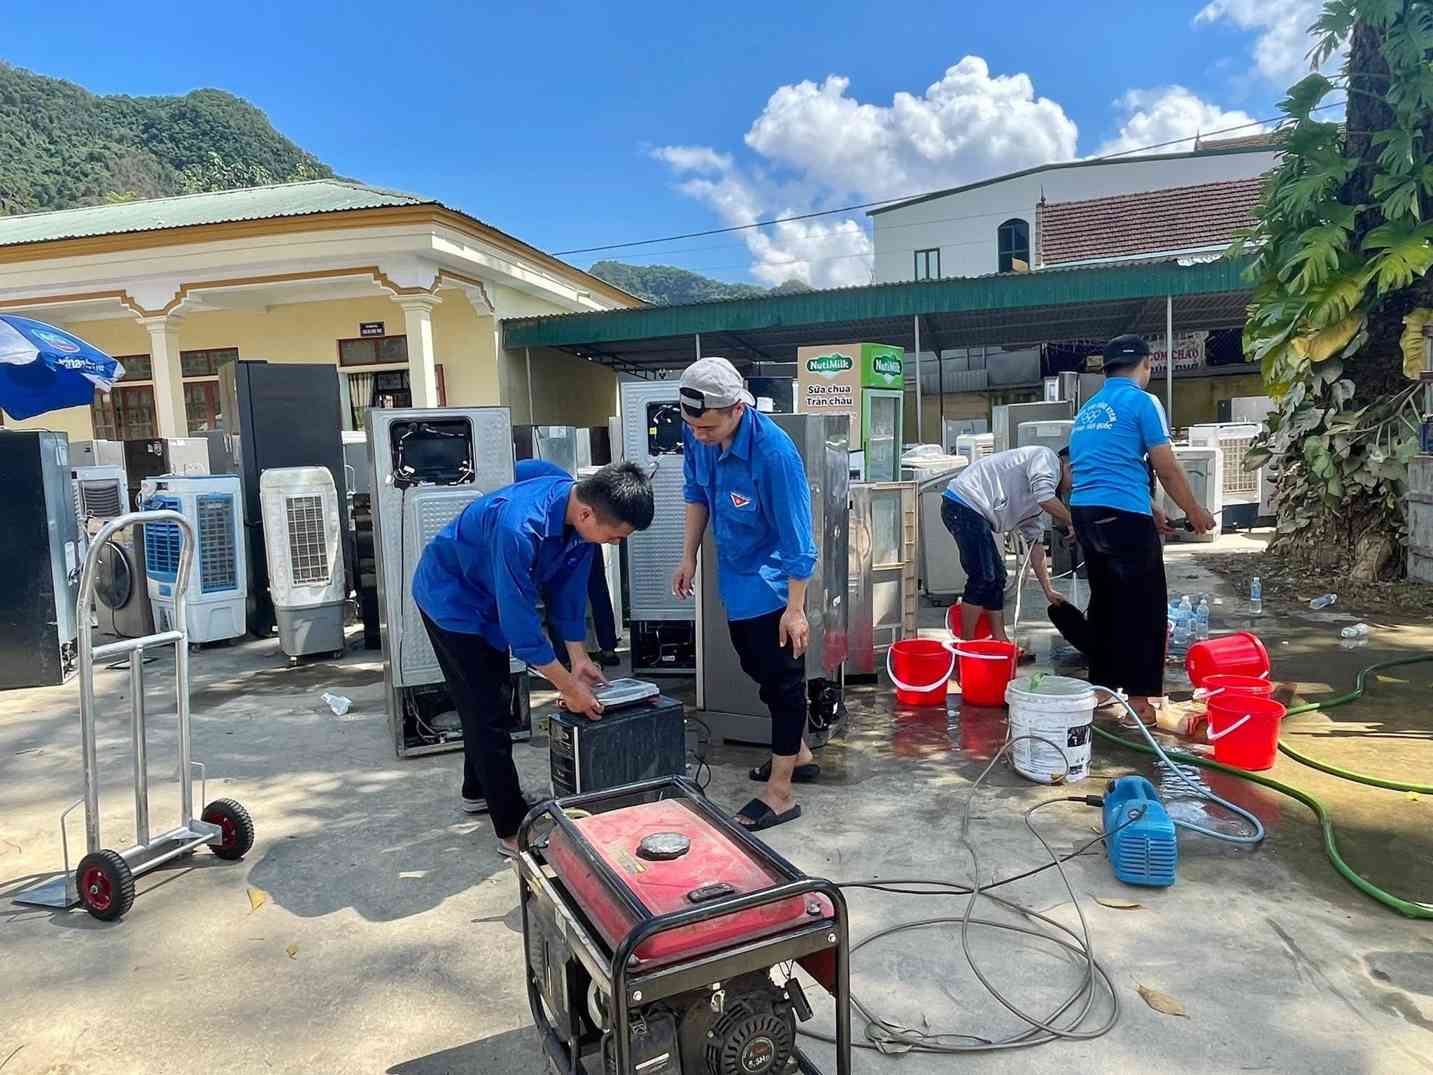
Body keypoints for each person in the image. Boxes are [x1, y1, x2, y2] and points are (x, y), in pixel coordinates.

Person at [413, 462, 655, 857]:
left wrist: (577, 658)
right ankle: (511, 829)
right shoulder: (518, 527)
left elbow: (569, 593)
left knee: (489, 697)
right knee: (486, 711)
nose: (613, 543)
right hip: (453, 599)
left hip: (491, 598)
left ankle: (477, 790)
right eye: (614, 537)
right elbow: (521, 628)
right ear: (587, 514)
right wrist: (568, 687)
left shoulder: (579, 517)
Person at [670, 357, 816, 833]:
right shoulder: (700, 440)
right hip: (734, 573)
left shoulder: (774, 454)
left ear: (737, 409)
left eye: (707, 426)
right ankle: (799, 753)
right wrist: (689, 555)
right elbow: (696, 494)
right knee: (754, 664)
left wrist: (796, 610)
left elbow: (797, 537)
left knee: (782, 681)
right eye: (691, 426)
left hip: (773, 582)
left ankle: (780, 793)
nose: (698, 436)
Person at [1067, 335, 1215, 725]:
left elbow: (1105, 467)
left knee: (1106, 601)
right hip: (1121, 515)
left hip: (1086, 513)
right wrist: (1194, 510)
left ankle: (1100, 689)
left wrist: (1151, 510)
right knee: (1145, 607)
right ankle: (1142, 703)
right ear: (1146, 366)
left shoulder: (1089, 408)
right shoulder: (1143, 401)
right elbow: (1165, 466)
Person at [940, 444, 1074, 651]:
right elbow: (1046, 498)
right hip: (964, 502)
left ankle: (999, 639)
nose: (1073, 488)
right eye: (1078, 479)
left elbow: (1035, 546)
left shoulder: (1037, 505)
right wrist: (1073, 522)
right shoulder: (1046, 458)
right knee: (983, 576)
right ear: (1069, 466)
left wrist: (1048, 590)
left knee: (997, 577)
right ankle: (965, 647)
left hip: (973, 511)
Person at [515, 458, 623, 668]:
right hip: (578, 524)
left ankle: (567, 657)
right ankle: (599, 650)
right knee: (588, 587)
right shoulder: (529, 485)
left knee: (568, 589)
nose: (616, 543)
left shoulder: (513, 477)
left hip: (574, 525)